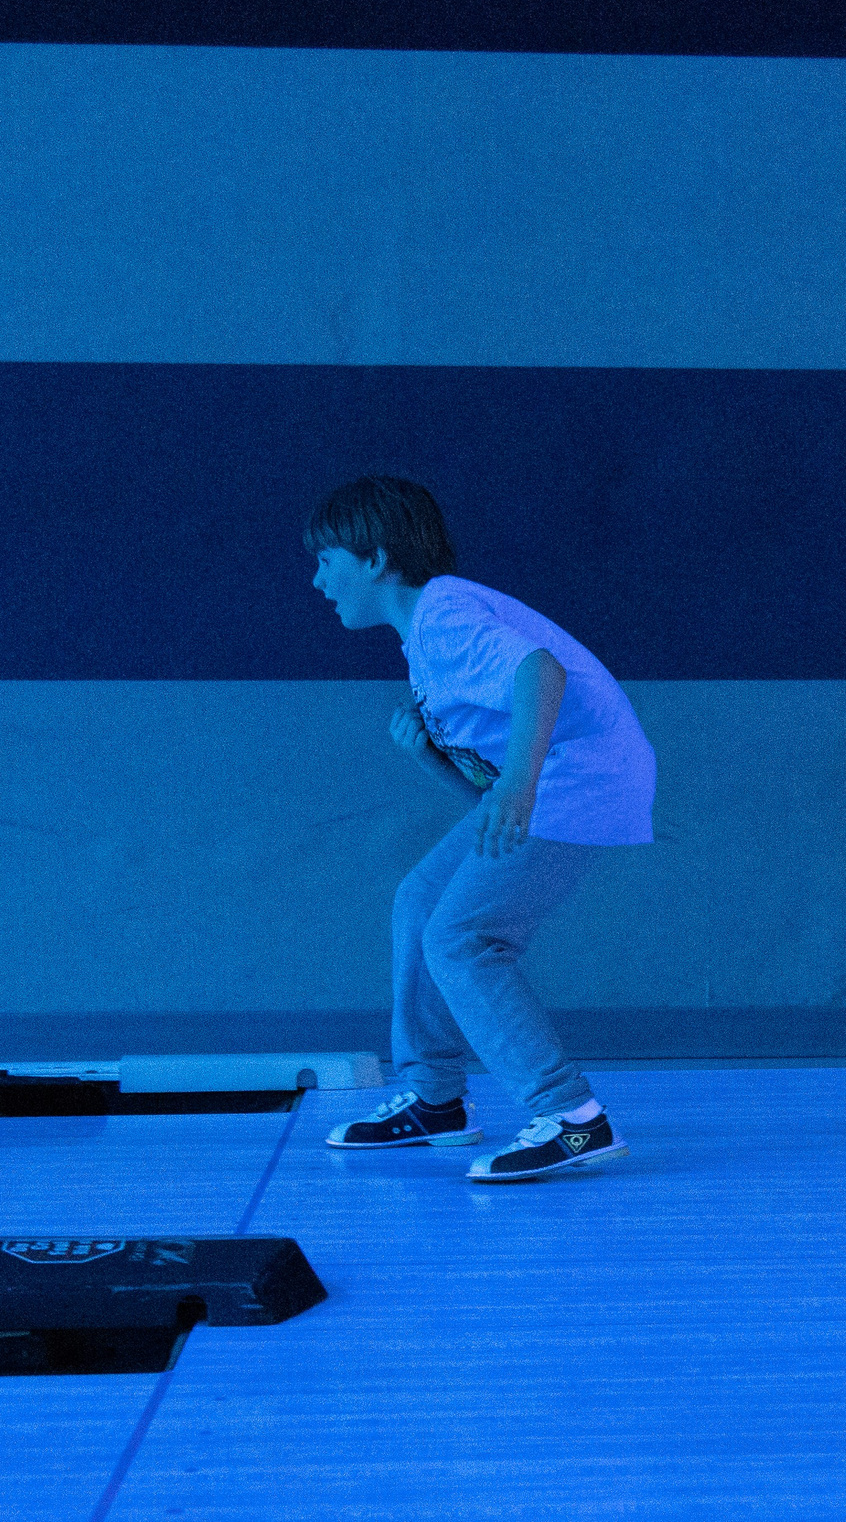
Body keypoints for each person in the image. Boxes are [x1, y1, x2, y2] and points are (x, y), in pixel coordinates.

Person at [302, 475, 655, 1181]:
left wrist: (521, 784)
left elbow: (540, 671)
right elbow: (487, 799)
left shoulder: (444, 613)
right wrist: (432, 757)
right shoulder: (426, 637)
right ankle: (437, 1100)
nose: (318, 581)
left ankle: (574, 1118)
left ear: (373, 558)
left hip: (580, 777)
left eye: (327, 560)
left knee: (462, 937)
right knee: (422, 901)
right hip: (552, 779)